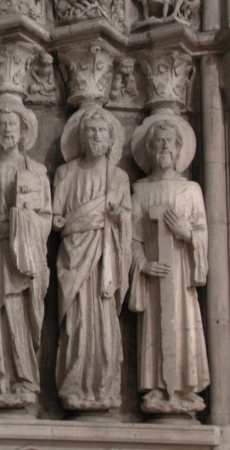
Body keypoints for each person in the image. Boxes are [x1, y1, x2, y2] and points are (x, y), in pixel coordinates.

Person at [0, 100, 52, 409]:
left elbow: (45, 217)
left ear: (22, 132)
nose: (7, 130)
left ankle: (22, 379)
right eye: (2, 125)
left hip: (21, 258)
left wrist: (20, 226)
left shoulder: (35, 170)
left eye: (12, 125)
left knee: (17, 316)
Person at [129, 116, 209, 413]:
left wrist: (186, 233)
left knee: (185, 326)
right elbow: (132, 238)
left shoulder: (191, 190)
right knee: (154, 329)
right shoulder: (141, 191)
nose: (164, 147)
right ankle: (158, 388)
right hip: (155, 275)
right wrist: (142, 264)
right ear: (149, 149)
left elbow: (201, 232)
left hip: (181, 273)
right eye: (158, 142)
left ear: (178, 149)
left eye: (169, 142)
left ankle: (185, 389)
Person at [54, 107, 131, 411]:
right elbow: (55, 214)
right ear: (81, 137)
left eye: (102, 132)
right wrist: (64, 222)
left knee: (103, 323)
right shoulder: (66, 172)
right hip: (74, 255)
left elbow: (127, 218)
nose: (96, 136)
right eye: (91, 131)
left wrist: (117, 217)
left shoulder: (119, 177)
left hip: (105, 258)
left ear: (111, 139)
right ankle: (73, 383)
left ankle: (104, 385)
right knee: (76, 322)